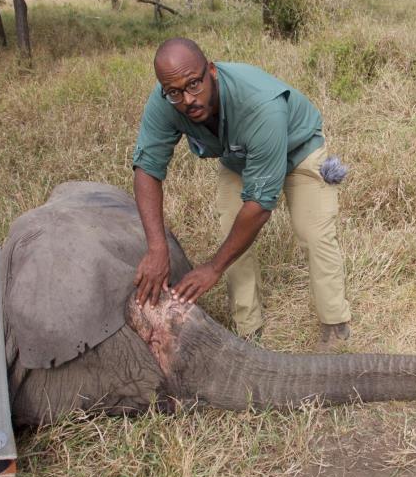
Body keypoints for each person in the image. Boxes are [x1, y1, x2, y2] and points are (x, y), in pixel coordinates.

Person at [131, 37, 351, 349]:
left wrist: (213, 268)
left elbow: (260, 205)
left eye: (194, 84)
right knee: (231, 231)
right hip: (241, 157)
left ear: (211, 71)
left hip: (298, 151)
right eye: (175, 92)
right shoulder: (167, 100)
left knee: (314, 232)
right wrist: (156, 248)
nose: (187, 99)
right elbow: (147, 169)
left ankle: (335, 324)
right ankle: (248, 329)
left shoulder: (259, 105)